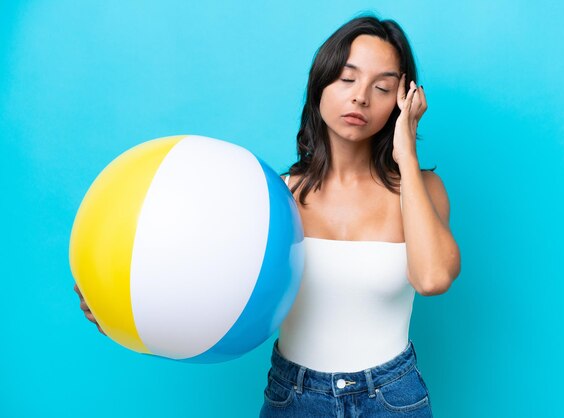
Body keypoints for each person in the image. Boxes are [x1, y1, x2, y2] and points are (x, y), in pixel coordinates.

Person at [75, 14, 460, 417]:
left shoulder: (421, 189)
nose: (361, 96)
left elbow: (432, 278)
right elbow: (203, 286)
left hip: (391, 398)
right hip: (294, 397)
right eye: (347, 79)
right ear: (320, 85)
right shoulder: (273, 196)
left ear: (403, 101)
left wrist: (406, 156)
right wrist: (125, 308)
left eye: (381, 87)